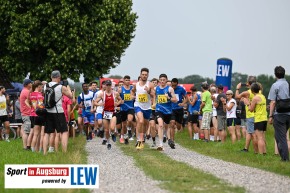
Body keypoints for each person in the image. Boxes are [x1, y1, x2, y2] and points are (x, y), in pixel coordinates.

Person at [43, 70, 72, 155]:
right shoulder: (61, 87)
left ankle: (45, 152)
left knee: (47, 133)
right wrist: (68, 87)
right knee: (64, 131)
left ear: (51, 77)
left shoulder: (45, 86)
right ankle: (64, 152)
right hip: (58, 112)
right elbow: (70, 96)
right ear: (58, 77)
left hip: (48, 112)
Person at [268, 66, 290, 161]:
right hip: (289, 114)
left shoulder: (275, 85)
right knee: (281, 136)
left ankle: (285, 159)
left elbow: (273, 102)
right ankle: (284, 157)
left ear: (275, 74)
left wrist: (270, 115)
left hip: (279, 114)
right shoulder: (288, 84)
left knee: (281, 137)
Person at [94, 80, 122, 150]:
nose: (108, 87)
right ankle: (109, 143)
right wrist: (99, 104)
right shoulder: (102, 94)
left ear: (111, 86)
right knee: (106, 130)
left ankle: (112, 134)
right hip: (105, 113)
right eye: (107, 85)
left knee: (112, 128)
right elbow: (95, 102)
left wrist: (117, 103)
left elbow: (121, 100)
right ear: (105, 86)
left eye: (109, 85)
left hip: (113, 113)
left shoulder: (115, 93)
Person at [131, 68, 155, 150]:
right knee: (140, 121)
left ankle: (142, 136)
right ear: (140, 75)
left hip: (147, 107)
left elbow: (153, 95)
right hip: (138, 105)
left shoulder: (150, 84)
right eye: (143, 74)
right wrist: (132, 96)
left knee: (145, 123)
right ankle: (139, 140)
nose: (144, 76)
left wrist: (148, 91)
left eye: (146, 75)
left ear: (148, 75)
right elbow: (132, 91)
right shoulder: (136, 84)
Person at [236, 76, 258, 153]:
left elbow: (237, 96)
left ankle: (256, 152)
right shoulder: (259, 91)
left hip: (250, 115)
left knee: (253, 134)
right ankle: (246, 148)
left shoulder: (247, 92)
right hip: (257, 114)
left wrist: (237, 88)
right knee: (249, 132)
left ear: (248, 83)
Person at [155, 74, 177, 150]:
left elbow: (175, 100)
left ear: (166, 80)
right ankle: (160, 145)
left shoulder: (170, 89)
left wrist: (169, 98)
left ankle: (169, 139)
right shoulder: (156, 88)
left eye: (164, 80)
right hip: (159, 110)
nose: (162, 81)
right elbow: (152, 96)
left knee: (167, 126)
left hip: (168, 111)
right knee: (160, 125)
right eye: (160, 80)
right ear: (159, 81)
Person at [244, 83, 267, 155]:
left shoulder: (255, 98)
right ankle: (264, 152)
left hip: (258, 119)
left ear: (252, 90)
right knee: (262, 137)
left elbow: (251, 109)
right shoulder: (263, 96)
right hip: (264, 118)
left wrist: (247, 103)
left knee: (259, 137)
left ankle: (260, 154)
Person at [169, 78, 187, 143]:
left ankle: (178, 125)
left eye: (175, 85)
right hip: (171, 109)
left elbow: (186, 97)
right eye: (172, 85)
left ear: (177, 84)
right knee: (172, 123)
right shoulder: (169, 89)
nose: (173, 87)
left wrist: (183, 103)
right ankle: (172, 140)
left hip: (179, 109)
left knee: (179, 126)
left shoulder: (181, 89)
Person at [29, 80, 45, 152]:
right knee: (41, 134)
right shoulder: (40, 95)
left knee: (35, 134)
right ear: (38, 87)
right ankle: (40, 149)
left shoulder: (32, 94)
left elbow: (34, 105)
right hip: (40, 114)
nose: (42, 88)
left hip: (34, 114)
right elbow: (40, 106)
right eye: (41, 87)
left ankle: (33, 149)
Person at [119, 75, 134, 144]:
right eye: (126, 80)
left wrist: (133, 97)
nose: (127, 81)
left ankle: (129, 130)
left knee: (130, 120)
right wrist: (120, 100)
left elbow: (136, 95)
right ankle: (124, 136)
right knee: (124, 124)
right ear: (124, 81)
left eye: (128, 80)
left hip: (130, 107)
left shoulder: (132, 88)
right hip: (123, 108)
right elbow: (116, 97)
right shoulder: (120, 89)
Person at [20, 79, 33, 149]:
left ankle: (27, 146)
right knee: (27, 131)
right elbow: (32, 100)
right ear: (27, 84)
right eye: (31, 83)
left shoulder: (24, 91)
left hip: (25, 114)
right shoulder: (26, 92)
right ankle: (26, 147)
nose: (32, 84)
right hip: (27, 114)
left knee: (27, 130)